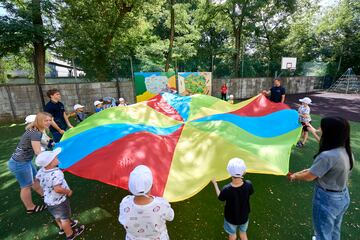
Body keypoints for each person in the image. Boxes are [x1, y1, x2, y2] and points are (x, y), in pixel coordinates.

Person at [289, 117, 353, 240]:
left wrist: (295, 175)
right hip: (343, 196)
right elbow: (324, 170)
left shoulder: (326, 156)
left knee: (322, 233)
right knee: (334, 229)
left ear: (330, 132)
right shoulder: (346, 151)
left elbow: (309, 177)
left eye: (322, 128)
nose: (320, 130)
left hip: (327, 200)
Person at [35, 148, 85, 240]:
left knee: (57, 216)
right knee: (64, 218)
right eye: (55, 157)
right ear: (50, 163)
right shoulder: (56, 173)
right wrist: (68, 191)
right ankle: (70, 234)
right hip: (59, 201)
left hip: (48, 200)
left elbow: (36, 180)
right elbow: (57, 189)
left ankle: (63, 228)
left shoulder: (42, 170)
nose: (57, 158)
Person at [7, 112, 52, 214]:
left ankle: (44, 195)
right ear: (39, 121)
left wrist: (52, 144)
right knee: (26, 186)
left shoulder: (35, 129)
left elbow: (45, 142)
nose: (49, 122)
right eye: (46, 120)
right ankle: (30, 207)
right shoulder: (35, 132)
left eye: (50, 120)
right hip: (19, 163)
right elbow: (38, 152)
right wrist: (48, 162)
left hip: (24, 161)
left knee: (35, 179)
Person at [119, 165, 174, 240]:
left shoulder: (125, 202)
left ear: (130, 188)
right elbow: (170, 217)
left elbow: (122, 219)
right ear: (152, 186)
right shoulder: (162, 204)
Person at [212, 158, 254, 240]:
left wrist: (215, 184)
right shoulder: (248, 184)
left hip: (231, 218)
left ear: (229, 172)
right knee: (243, 234)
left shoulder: (227, 189)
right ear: (244, 172)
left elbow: (220, 197)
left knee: (232, 235)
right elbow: (250, 192)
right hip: (244, 217)